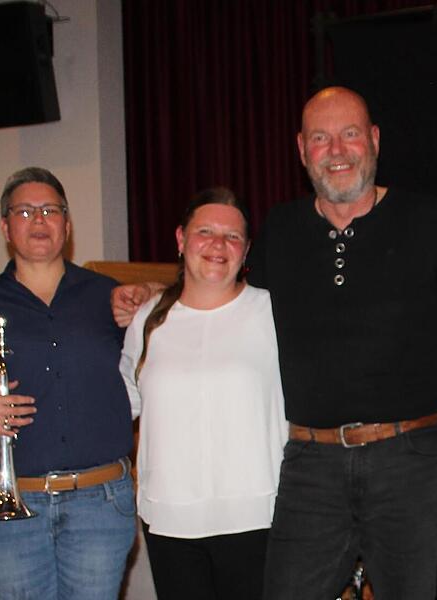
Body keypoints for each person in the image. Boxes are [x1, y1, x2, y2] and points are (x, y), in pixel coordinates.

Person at [113, 86, 437, 599]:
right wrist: (157, 293)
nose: (337, 150)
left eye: (350, 134)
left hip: (408, 459)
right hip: (310, 464)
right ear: (301, 150)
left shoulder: (428, 219)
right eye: (321, 138)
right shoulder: (282, 230)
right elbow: (221, 289)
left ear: (373, 140)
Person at [0, 167, 135, 599]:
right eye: (24, 212)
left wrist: (150, 292)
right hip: (12, 515)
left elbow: (174, 323)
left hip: (99, 505)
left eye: (50, 210)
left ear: (67, 223)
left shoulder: (111, 297)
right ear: (6, 227)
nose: (39, 220)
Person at [119, 187, 286, 599]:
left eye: (232, 237)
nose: (217, 245)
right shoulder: (147, 317)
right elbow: (122, 404)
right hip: (170, 519)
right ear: (180, 239)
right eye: (205, 232)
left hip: (256, 518)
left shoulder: (273, 311)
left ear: (247, 250)